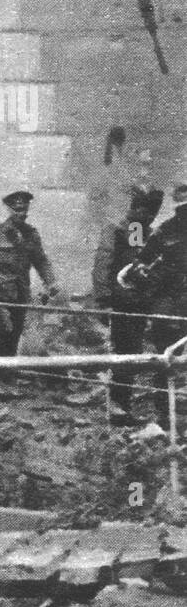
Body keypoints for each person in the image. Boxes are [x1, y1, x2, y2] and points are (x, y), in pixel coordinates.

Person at [93, 187, 164, 421]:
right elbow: (103, 265)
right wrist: (102, 300)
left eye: (153, 211)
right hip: (122, 301)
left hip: (139, 303)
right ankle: (117, 406)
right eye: (144, 210)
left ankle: (121, 405)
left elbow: (144, 267)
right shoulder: (118, 230)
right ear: (134, 207)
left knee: (132, 352)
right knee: (125, 352)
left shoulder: (143, 232)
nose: (149, 215)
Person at [129, 182, 187, 429]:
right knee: (167, 358)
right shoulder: (163, 231)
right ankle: (165, 416)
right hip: (169, 303)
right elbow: (139, 261)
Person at [0, 188, 60, 357]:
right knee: (1, 331)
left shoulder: (31, 235)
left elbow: (41, 261)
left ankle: (4, 374)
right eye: (17, 210)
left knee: (13, 335)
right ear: (9, 209)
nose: (21, 213)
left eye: (24, 209)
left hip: (20, 293)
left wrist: (51, 281)